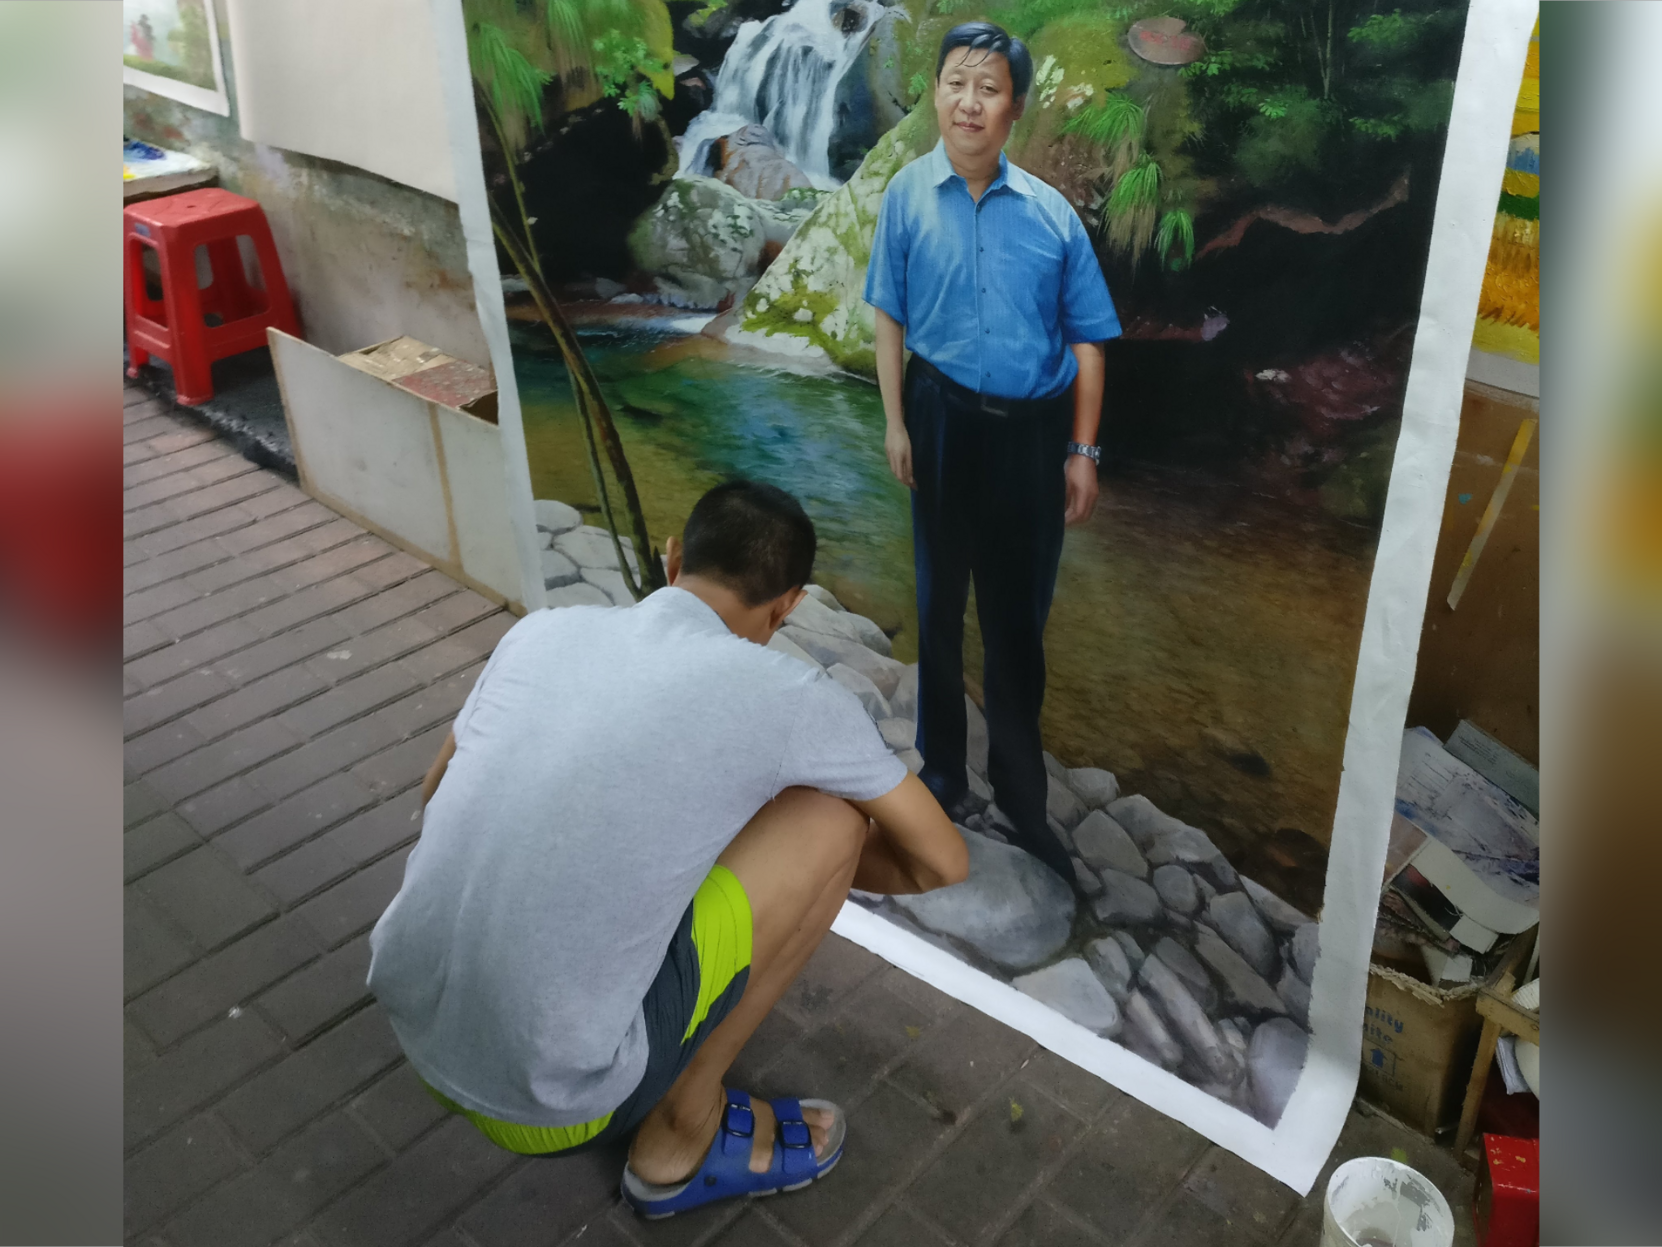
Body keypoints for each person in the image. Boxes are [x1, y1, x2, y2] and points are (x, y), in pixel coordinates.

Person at [366, 480, 966, 1218]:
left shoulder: (543, 631)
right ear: (788, 606)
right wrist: (825, 871)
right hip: (554, 1104)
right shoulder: (792, 694)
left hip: (409, 1016)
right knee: (834, 821)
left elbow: (437, 788)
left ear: (674, 557)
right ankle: (683, 1132)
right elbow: (941, 860)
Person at [863, 21, 1122, 888]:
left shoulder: (1051, 216)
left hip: (1031, 434)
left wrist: (1082, 449)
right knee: (937, 603)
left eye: (988, 88)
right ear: (935, 93)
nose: (968, 103)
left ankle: (1021, 796)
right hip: (938, 414)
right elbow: (888, 314)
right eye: (956, 83)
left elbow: (1088, 341)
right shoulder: (906, 196)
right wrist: (896, 422)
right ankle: (942, 771)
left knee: (1016, 621)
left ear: (1014, 108)